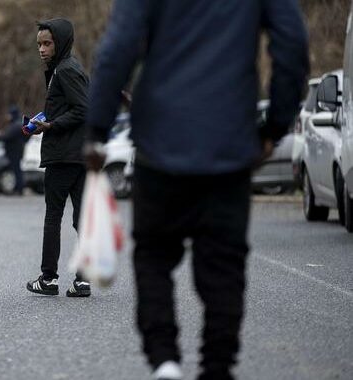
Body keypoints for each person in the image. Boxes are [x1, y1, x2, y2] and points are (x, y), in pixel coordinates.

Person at [84, 1, 309, 379]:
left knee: (154, 256)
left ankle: (164, 361)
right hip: (229, 146)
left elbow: (118, 47)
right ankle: (217, 367)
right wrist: (274, 127)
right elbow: (292, 44)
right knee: (223, 266)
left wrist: (96, 130)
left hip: (160, 145)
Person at [24, 18, 91, 298]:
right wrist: (42, 120)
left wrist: (51, 126)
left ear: (60, 43)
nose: (41, 49)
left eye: (47, 43)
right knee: (82, 219)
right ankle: (83, 280)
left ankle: (49, 278)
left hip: (65, 156)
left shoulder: (66, 70)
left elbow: (84, 109)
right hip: (76, 154)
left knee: (54, 217)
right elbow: (70, 108)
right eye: (39, 43)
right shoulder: (61, 70)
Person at [0, 106, 27, 195]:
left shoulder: (15, 125)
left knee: (16, 170)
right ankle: (18, 188)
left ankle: (19, 189)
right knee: (16, 170)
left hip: (14, 152)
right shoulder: (18, 123)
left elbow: (6, 136)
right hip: (16, 151)